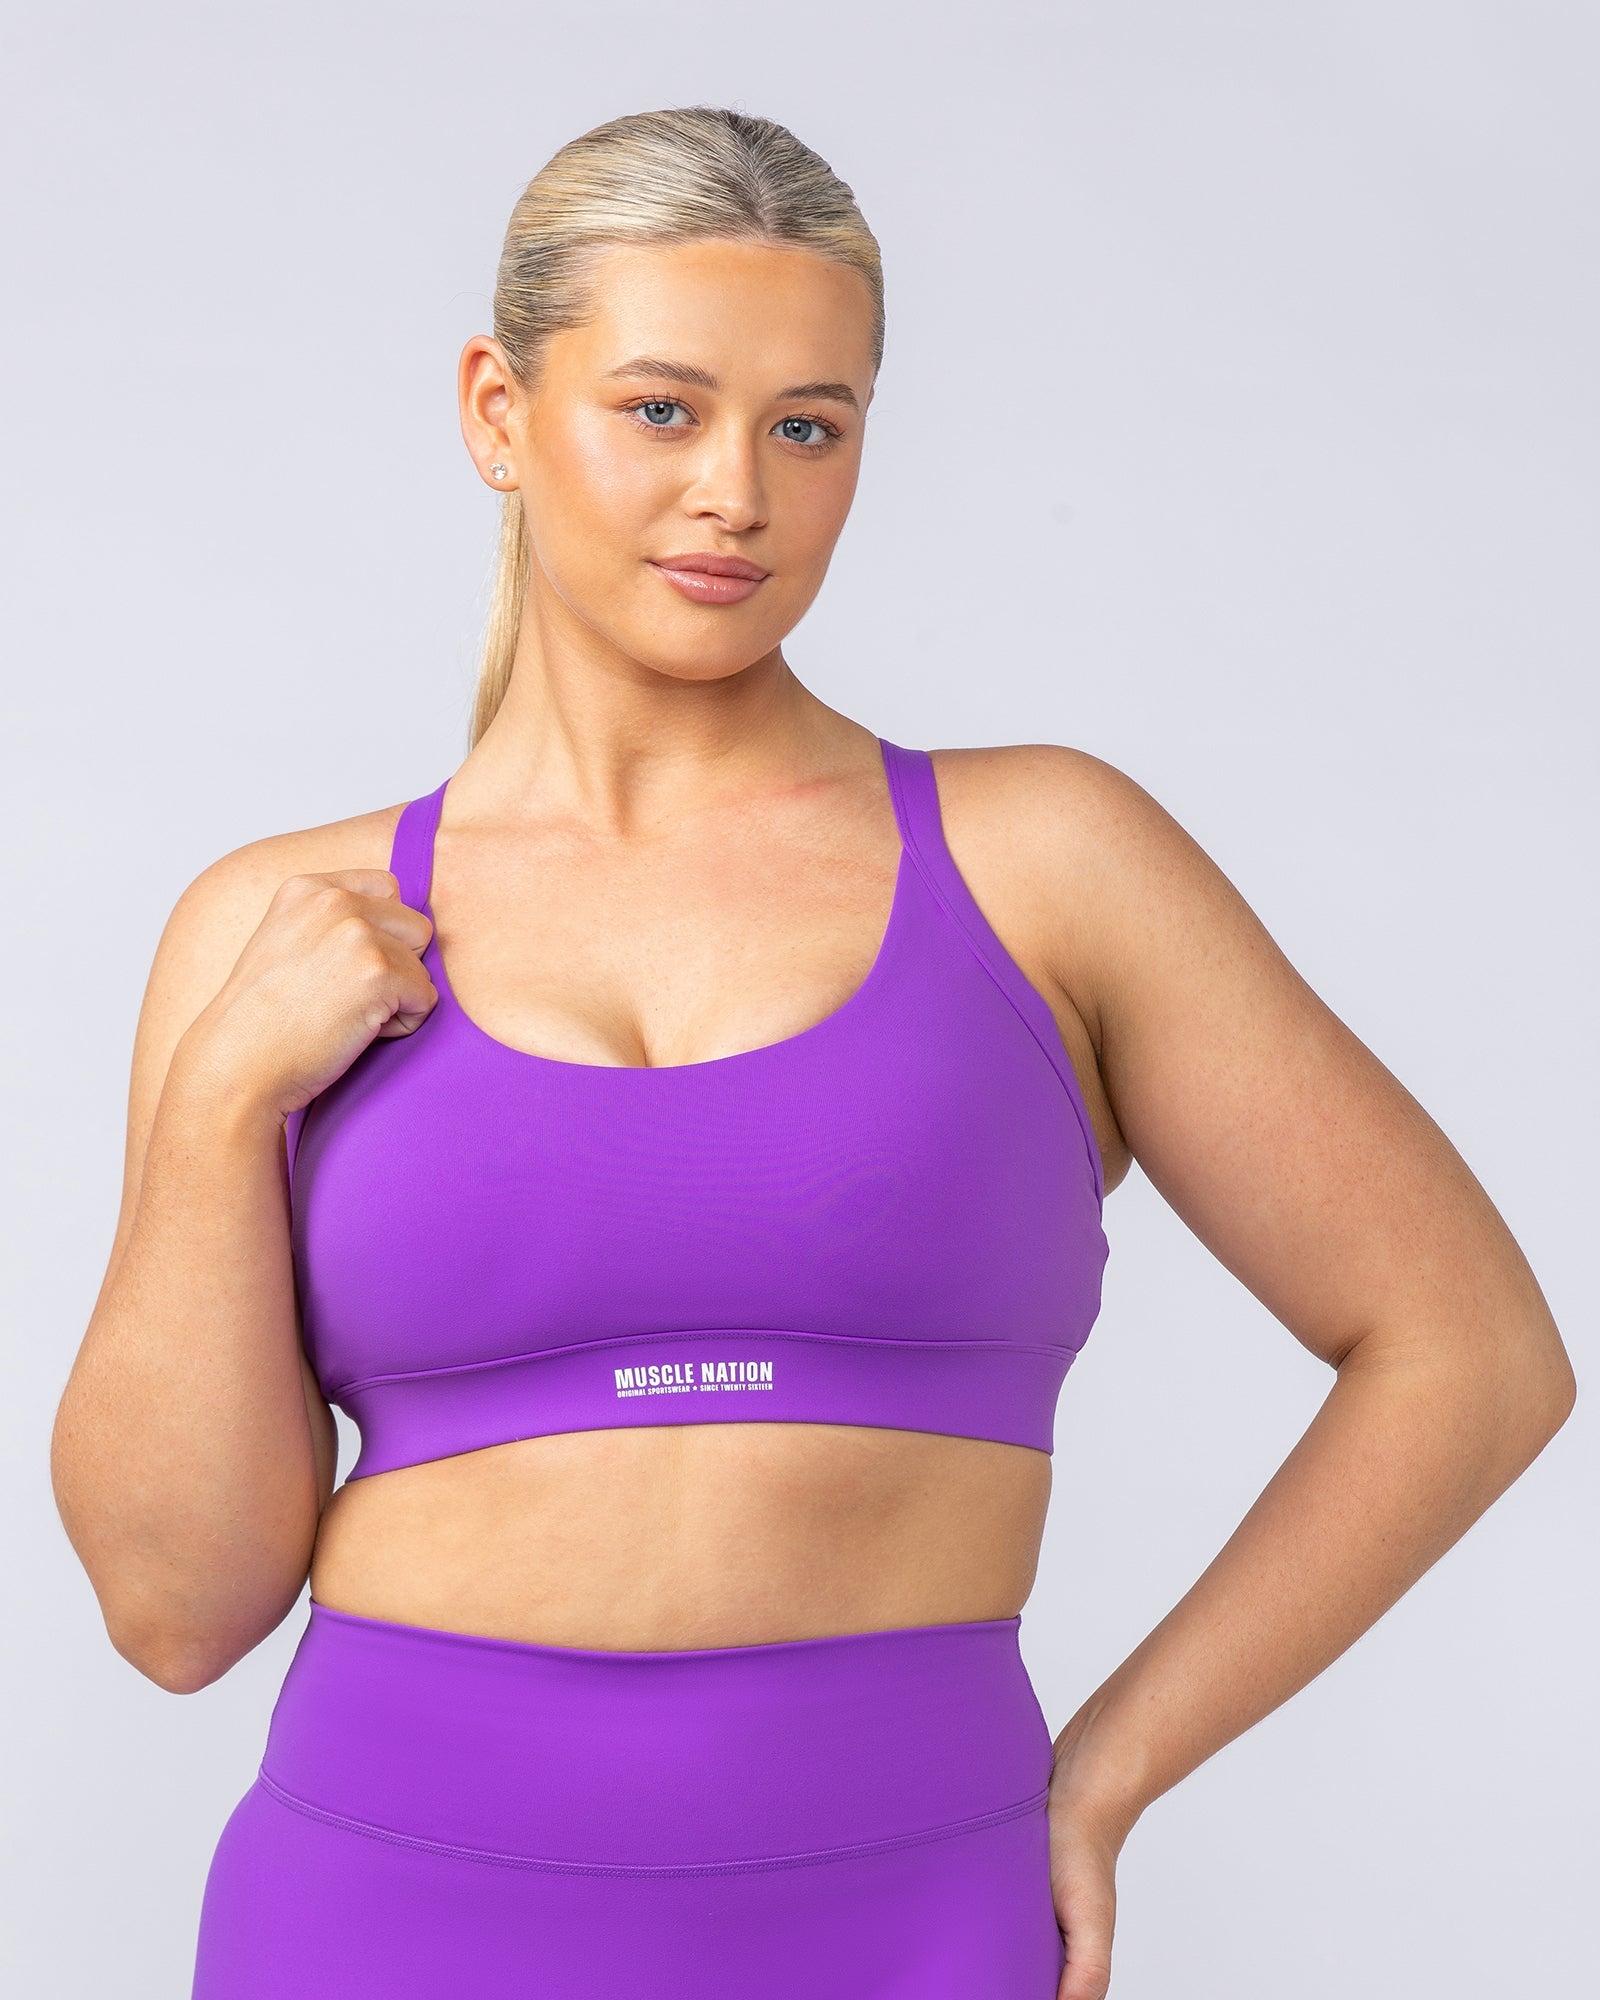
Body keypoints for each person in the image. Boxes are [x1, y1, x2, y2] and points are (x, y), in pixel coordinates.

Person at [50, 105, 1575, 2000]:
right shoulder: (277, 925)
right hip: (379, 1916)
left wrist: (1108, 1773)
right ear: (500, 414)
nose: (736, 496)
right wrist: (219, 1101)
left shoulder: (1048, 864)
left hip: (905, 1921)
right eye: (662, 410)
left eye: (808, 427)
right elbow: (175, 1612)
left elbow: (1472, 1354)